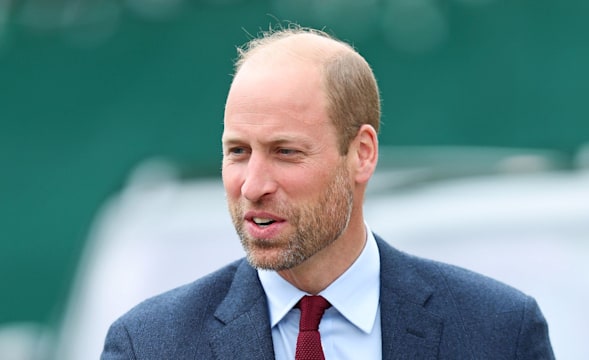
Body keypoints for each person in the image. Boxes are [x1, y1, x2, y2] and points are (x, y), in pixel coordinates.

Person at [101, 26, 555, 359]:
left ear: (361, 154)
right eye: (237, 151)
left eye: (285, 152)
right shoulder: (150, 346)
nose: (253, 185)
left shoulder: (498, 334)